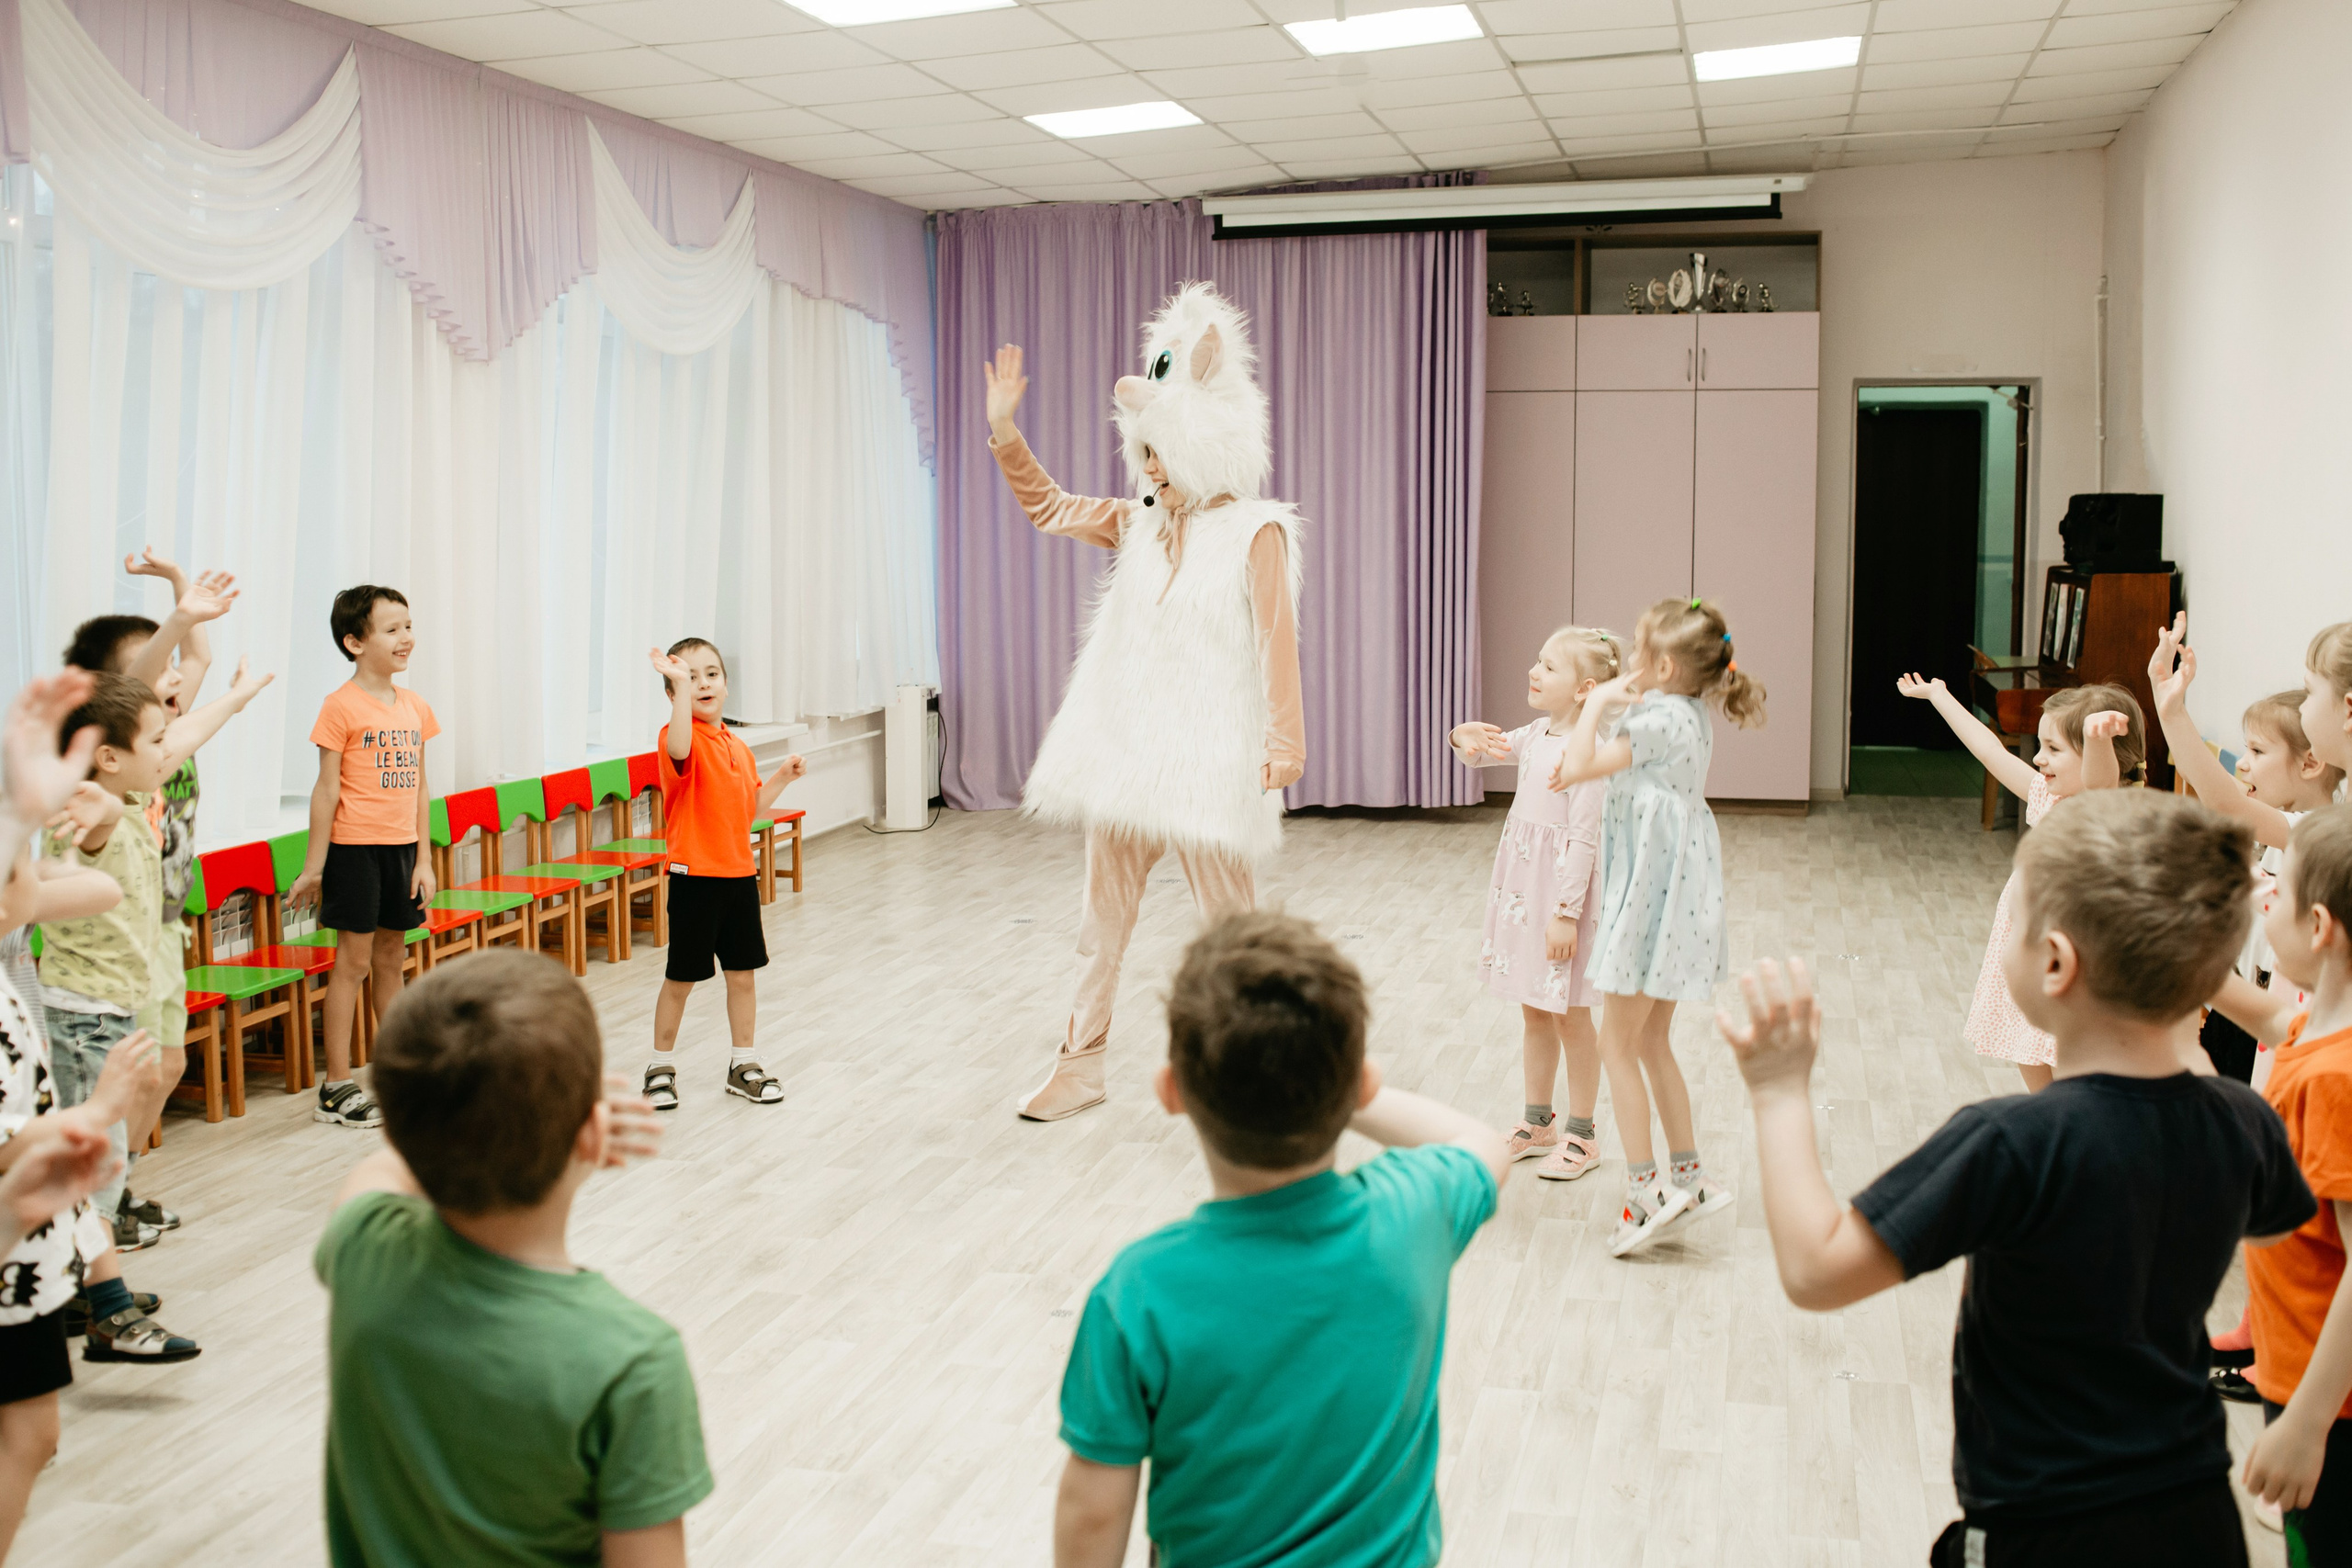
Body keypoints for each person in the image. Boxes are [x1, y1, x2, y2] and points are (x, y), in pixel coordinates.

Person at [1720, 789, 2313, 1568]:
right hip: (2197, 1518)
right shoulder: (2242, 1121)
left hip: (2045, 1530)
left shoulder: (2013, 1143)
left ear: (2056, 962)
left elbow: (1815, 1269)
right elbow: (2288, 1241)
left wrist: (1778, 1092)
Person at [1052, 912, 1508, 1567]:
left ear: (1172, 1092)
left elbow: (1093, 1513)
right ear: (1362, 1083)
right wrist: (1340, 1087)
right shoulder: (1413, 1215)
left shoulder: (1140, 1290)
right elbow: (1483, 1143)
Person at [981, 283, 1306, 1122]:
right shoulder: (1137, 522)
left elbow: (1276, 642)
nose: (1150, 468)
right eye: (1144, 453)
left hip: (1209, 761)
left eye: (1162, 452)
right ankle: (1079, 1064)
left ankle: (1258, 1074)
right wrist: (1006, 431)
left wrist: (1285, 742)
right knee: (1102, 922)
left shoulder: (1257, 531)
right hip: (1129, 753)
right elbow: (1051, 507)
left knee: (1231, 926)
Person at [318, 951, 709, 1568]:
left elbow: (383, 1166)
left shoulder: (365, 1251)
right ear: (590, 1135)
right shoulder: (632, 1360)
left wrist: (447, 1111)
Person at [0, 671, 166, 1558]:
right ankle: (107, 1301)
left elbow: (98, 892)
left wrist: (34, 813)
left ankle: (100, 1292)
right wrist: (93, 1112)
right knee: (27, 1439)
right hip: (13, 1244)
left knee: (34, 1438)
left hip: (21, 1249)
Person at [63, 554, 273, 1238]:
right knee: (127, 1076)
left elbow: (191, 675)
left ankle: (115, 1192)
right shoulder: (112, 775)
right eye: (156, 670)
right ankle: (98, 1209)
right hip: (117, 944)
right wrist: (180, 616)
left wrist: (186, 593)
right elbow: (144, 685)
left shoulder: (157, 738)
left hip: (164, 924)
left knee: (169, 1062)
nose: (175, 676)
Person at [1548, 597, 1762, 1255]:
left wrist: (1593, 703)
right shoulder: (1687, 712)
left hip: (1650, 906)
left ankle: (1643, 1195)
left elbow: (1576, 768)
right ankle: (1689, 1179)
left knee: (1617, 1045)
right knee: (1650, 1041)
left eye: (1640, 652)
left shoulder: (1661, 719)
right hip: (1674, 901)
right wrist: (1611, 707)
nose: (1631, 662)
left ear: (1665, 666)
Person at [34, 673, 201, 1362]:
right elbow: (95, 812)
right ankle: (108, 1312)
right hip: (83, 1018)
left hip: (108, 1009)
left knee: (101, 1162)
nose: (168, 751)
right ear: (108, 757)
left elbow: (175, 738)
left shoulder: (133, 800)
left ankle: (79, 1288)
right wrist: (95, 797)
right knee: (92, 1167)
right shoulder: (100, 808)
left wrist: (236, 694)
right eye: (156, 742)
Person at [2202, 807, 2352, 1560]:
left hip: (2331, 1404)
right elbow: (2272, 1022)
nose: (2264, 898)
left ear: (2318, 926)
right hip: (2299, 1374)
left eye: (2278, 891)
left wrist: (2308, 1423)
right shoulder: (2320, 1025)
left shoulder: (2338, 1079)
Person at [1897, 672, 2140, 1091]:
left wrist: (2098, 741)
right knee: (2030, 1058)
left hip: (2074, 968)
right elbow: (1990, 751)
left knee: (2074, 1075)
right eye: (2041, 746)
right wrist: (1940, 696)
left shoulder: (2107, 812)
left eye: (2054, 749)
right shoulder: (2048, 797)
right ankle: (2049, 1122)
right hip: (2031, 955)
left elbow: (2101, 783)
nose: (2039, 759)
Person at [1449, 625, 1621, 1179]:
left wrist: (1567, 915)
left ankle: (1583, 1135)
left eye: (1549, 666)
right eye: (1537, 660)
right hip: (1527, 895)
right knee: (1534, 1010)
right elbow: (1481, 755)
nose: (1534, 671)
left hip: (1562, 902)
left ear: (1584, 689)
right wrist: (1459, 736)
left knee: (1571, 1017)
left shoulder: (1588, 753)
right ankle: (1537, 1121)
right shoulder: (1537, 734)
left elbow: (1584, 839)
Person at [286, 586, 437, 1130]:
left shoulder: (415, 706)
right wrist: (314, 867)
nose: (406, 638)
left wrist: (424, 859)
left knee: (392, 959)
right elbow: (325, 790)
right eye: (392, 629)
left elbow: (420, 787)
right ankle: (336, 1085)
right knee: (352, 964)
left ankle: (392, 1073)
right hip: (354, 852)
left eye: (408, 626)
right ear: (355, 642)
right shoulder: (340, 706)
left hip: (402, 851)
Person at [640, 639, 805, 1111]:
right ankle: (659, 1068)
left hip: (738, 878)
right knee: (681, 979)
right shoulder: (679, 739)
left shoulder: (737, 746)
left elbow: (748, 809)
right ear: (673, 694)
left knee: (743, 977)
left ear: (726, 685)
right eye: (689, 678)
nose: (703, 683)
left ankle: (743, 1064)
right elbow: (678, 745)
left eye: (711, 674)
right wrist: (679, 686)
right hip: (694, 880)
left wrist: (782, 778)